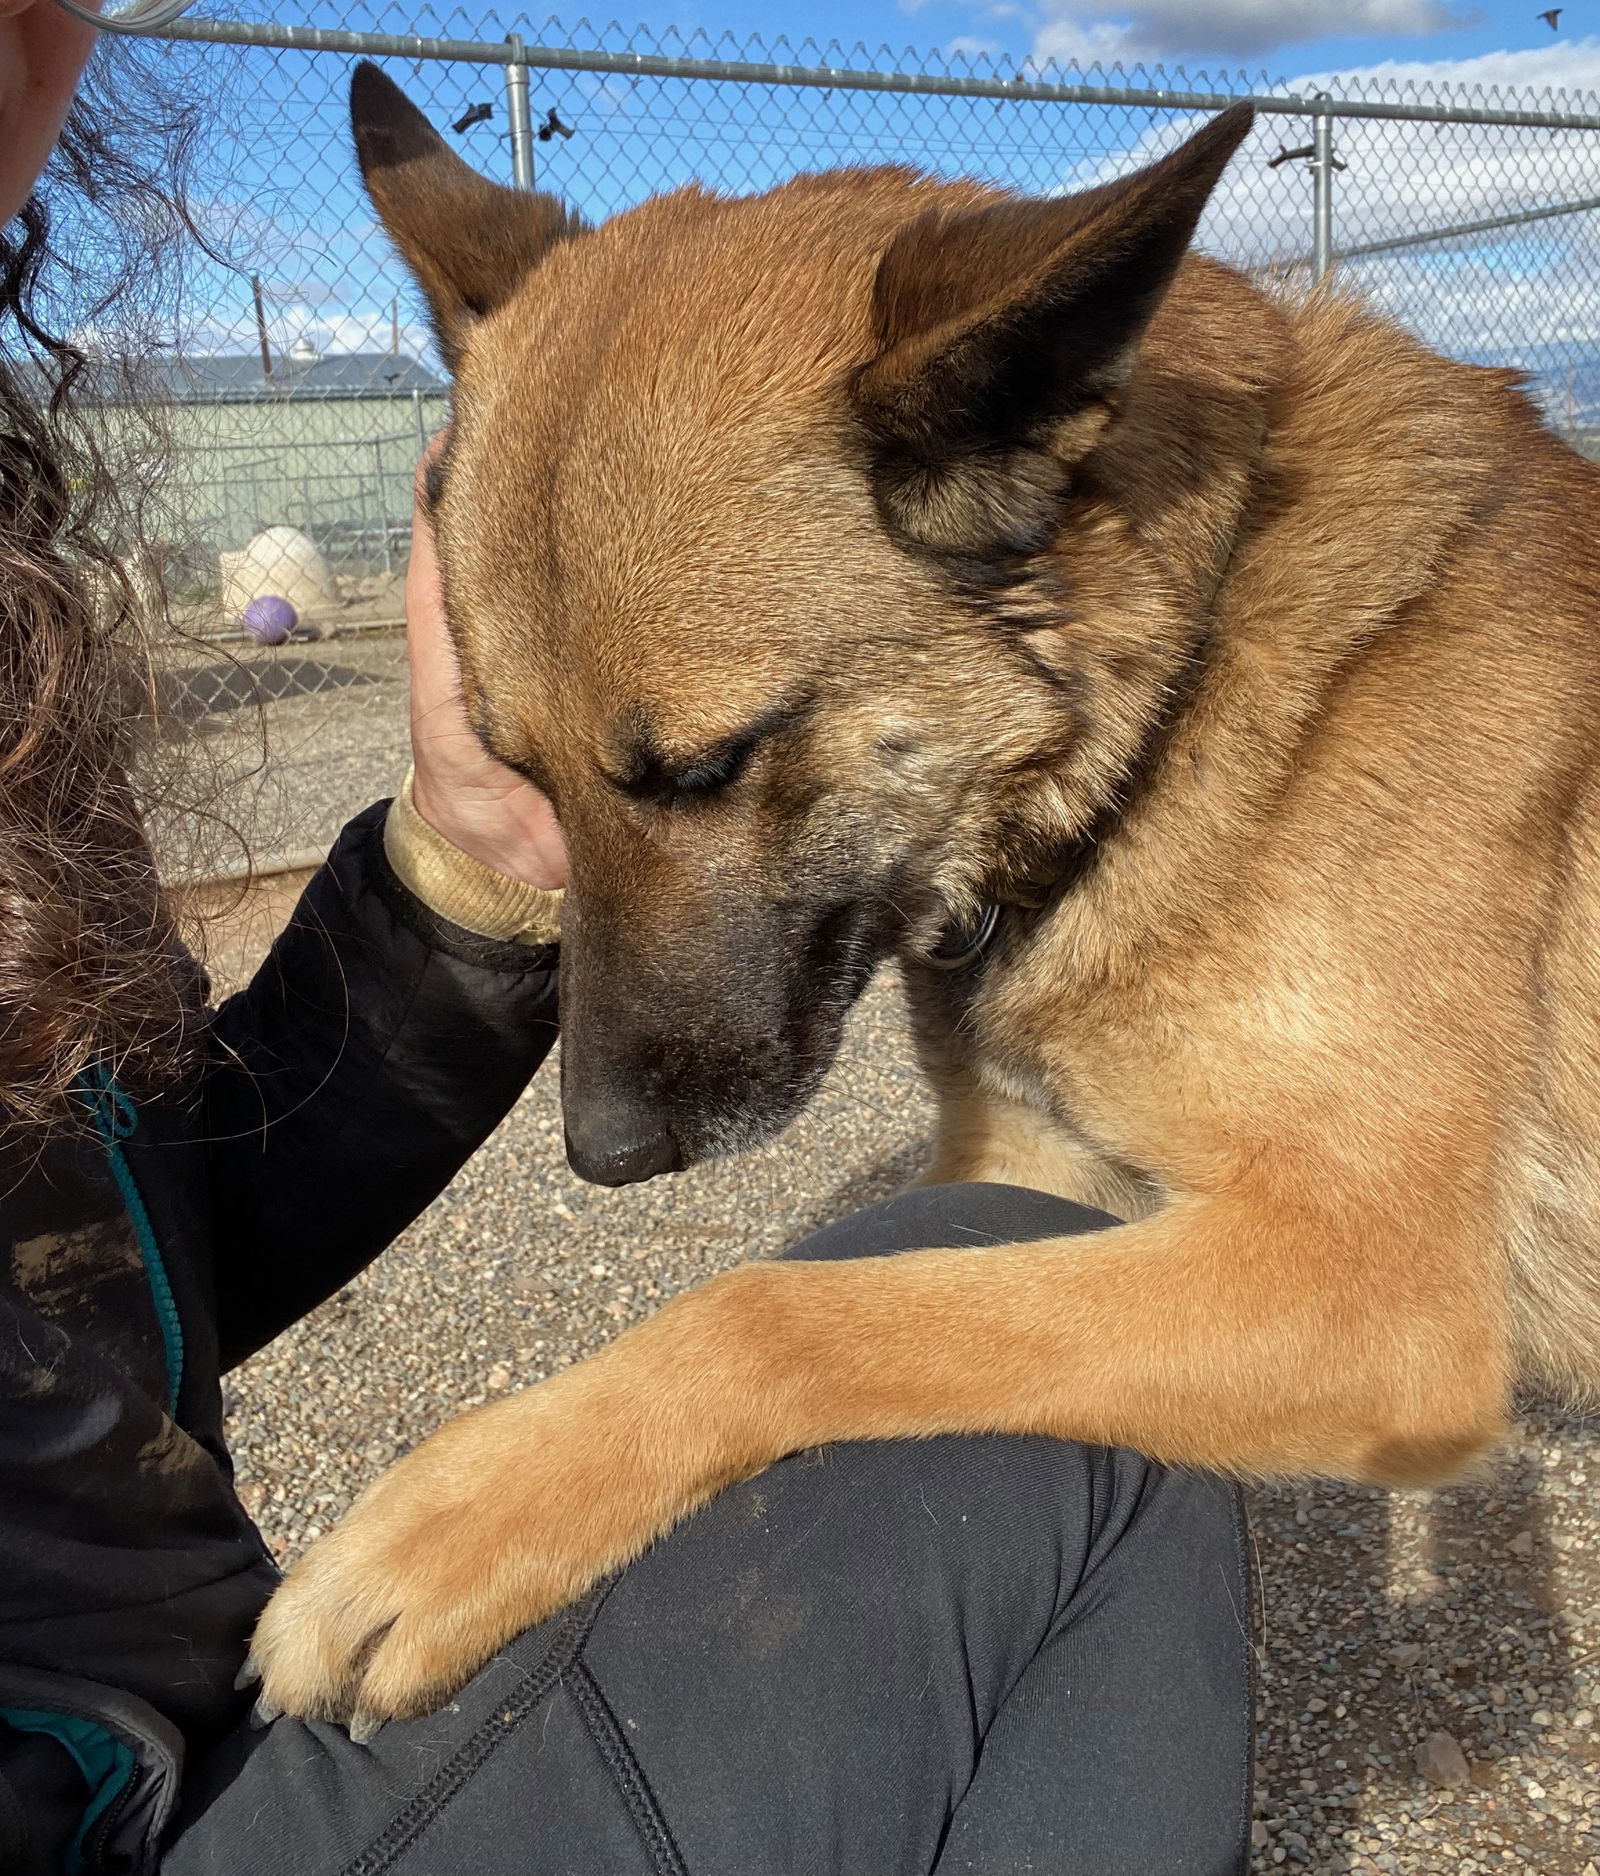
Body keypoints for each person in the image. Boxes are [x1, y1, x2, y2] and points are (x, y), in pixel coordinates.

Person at [0, 7, 1255, 1872]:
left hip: (189, 1736)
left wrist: (483, 849)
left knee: (1010, 1272)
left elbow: (147, 1260)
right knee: (1082, 1399)